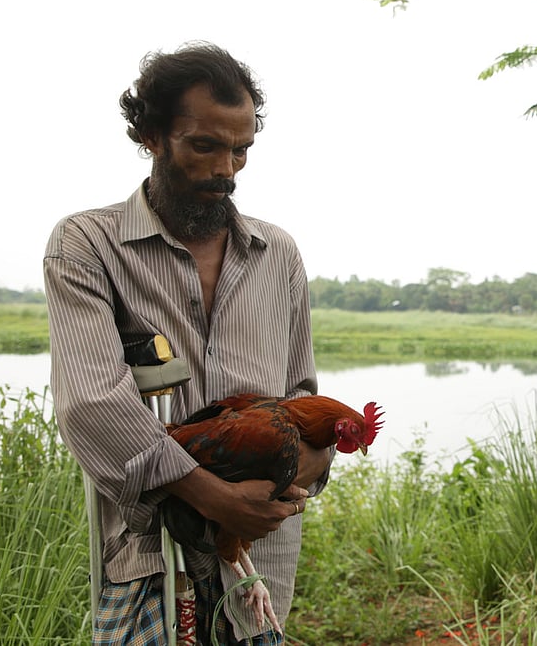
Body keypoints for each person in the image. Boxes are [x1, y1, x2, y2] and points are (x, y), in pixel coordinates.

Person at [44, 41, 332, 645]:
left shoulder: (276, 253)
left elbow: (301, 395)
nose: (226, 169)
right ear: (152, 136)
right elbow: (92, 405)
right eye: (205, 145)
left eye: (241, 150)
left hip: (257, 547)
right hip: (153, 546)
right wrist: (212, 495)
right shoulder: (88, 245)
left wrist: (288, 478)